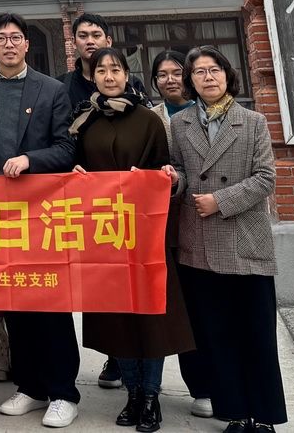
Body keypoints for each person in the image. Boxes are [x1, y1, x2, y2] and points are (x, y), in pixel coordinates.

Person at [69, 47, 194, 433]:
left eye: (116, 69)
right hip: (104, 236)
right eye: (101, 70)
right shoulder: (85, 121)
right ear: (93, 77)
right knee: (116, 318)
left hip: (144, 236)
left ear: (127, 74)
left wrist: (157, 178)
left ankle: (152, 395)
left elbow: (163, 174)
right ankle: (133, 393)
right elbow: (75, 169)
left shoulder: (149, 121)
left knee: (151, 317)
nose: (109, 76)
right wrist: (75, 174)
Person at [0, 11, 81, 429]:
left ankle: (63, 392)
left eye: (16, 37)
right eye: (1, 38)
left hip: (41, 213)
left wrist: (29, 159)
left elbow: (66, 149)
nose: (9, 44)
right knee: (15, 301)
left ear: (27, 44)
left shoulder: (51, 89)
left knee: (50, 302)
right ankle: (31, 386)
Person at [168, 46, 286, 433]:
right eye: (199, 72)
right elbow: (182, 171)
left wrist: (220, 201)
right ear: (191, 81)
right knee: (215, 335)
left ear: (227, 74)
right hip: (199, 244)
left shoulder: (252, 121)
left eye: (214, 69)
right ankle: (233, 413)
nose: (208, 77)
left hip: (244, 240)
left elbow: (265, 178)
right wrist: (173, 180)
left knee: (256, 334)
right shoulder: (180, 124)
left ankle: (264, 417)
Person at [64, 12, 149, 395]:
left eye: (96, 34)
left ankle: (137, 372)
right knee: (100, 284)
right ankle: (115, 356)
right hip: (88, 205)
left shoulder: (136, 93)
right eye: (82, 35)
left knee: (134, 285)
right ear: (74, 42)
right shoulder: (65, 89)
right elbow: (64, 140)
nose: (89, 40)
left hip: (131, 207)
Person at [149, 49, 212, 418]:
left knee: (201, 307)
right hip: (163, 223)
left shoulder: (206, 112)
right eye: (162, 74)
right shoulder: (151, 117)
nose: (169, 80)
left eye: (176, 72)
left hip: (204, 218)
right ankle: (173, 385)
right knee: (174, 308)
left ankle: (207, 385)